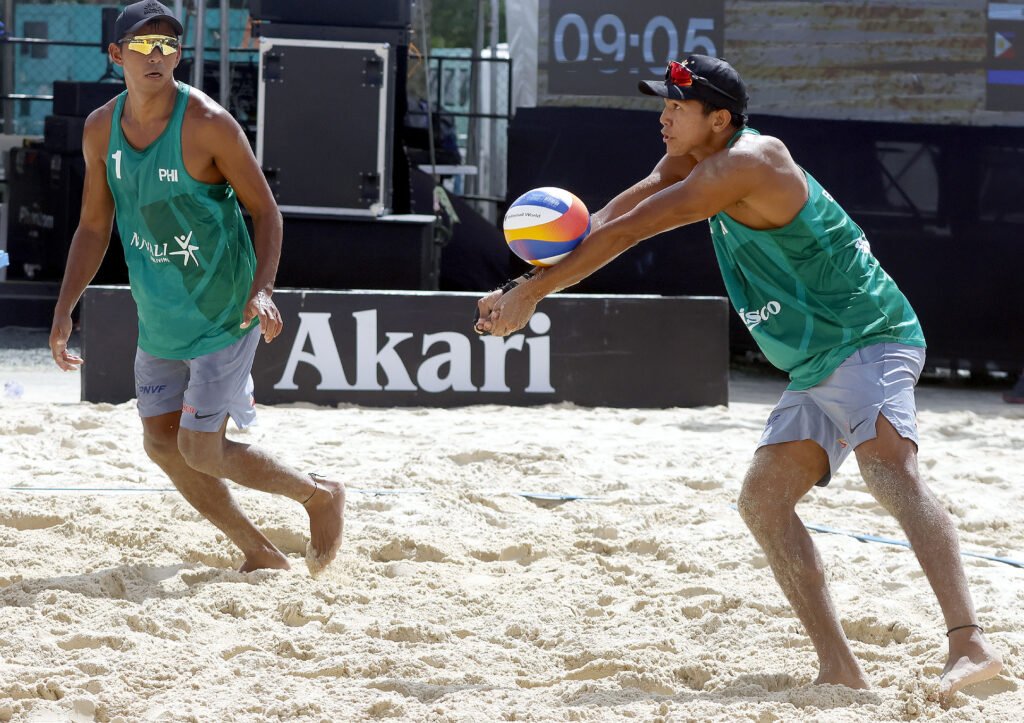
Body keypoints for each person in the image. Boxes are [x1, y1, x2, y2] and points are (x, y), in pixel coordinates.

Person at [474, 55, 1003, 699]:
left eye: (676, 105)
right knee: (764, 502)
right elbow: (614, 215)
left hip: (868, 335)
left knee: (891, 471)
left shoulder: (750, 162)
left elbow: (631, 233)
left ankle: (970, 644)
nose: (663, 115)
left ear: (718, 119)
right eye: (662, 103)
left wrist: (534, 294)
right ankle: (840, 669)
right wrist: (527, 282)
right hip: (815, 358)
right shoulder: (693, 161)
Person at [48, 1, 344, 576]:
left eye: (167, 45)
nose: (156, 55)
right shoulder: (100, 128)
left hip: (223, 308)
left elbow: (267, 213)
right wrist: (65, 309)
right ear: (116, 55)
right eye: (142, 45)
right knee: (161, 445)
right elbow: (92, 225)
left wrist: (263, 291)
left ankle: (319, 495)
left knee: (200, 447)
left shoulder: (207, 122)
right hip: (161, 313)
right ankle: (259, 550)